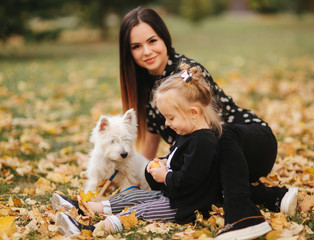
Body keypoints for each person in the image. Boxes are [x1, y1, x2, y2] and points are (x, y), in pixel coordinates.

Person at [118, 7, 298, 240]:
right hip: (216, 157)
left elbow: (207, 136)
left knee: (211, 139)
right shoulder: (145, 85)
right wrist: (144, 174)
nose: (147, 51)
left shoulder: (185, 74)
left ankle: (243, 217)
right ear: (128, 52)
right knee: (188, 176)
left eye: (152, 40)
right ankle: (272, 196)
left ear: (164, 38)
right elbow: (153, 136)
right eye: (136, 46)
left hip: (252, 143)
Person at [54, 64, 222, 237]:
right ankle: (81, 208)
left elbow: (190, 180)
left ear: (193, 112)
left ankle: (88, 230)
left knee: (140, 211)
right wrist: (164, 161)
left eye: (170, 117)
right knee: (133, 197)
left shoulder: (204, 142)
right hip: (170, 194)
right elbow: (179, 159)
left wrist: (165, 176)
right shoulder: (187, 133)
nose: (166, 124)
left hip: (186, 205)